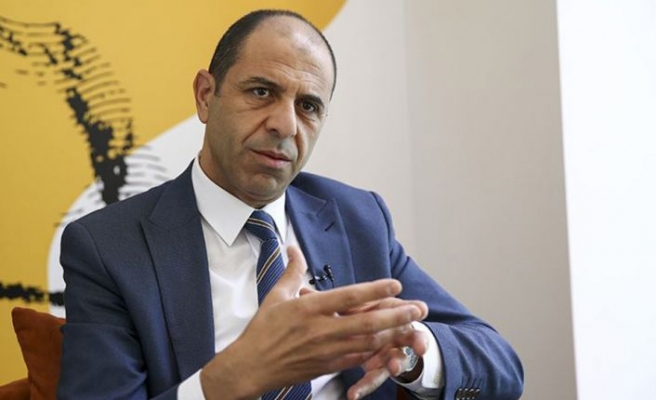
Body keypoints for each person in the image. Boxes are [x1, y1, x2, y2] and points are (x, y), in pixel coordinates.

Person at [57, 9, 523, 400]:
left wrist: (407, 350)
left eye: (309, 106)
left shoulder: (355, 218)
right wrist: (237, 374)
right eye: (261, 92)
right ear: (206, 96)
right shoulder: (108, 247)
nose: (285, 124)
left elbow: (501, 365)